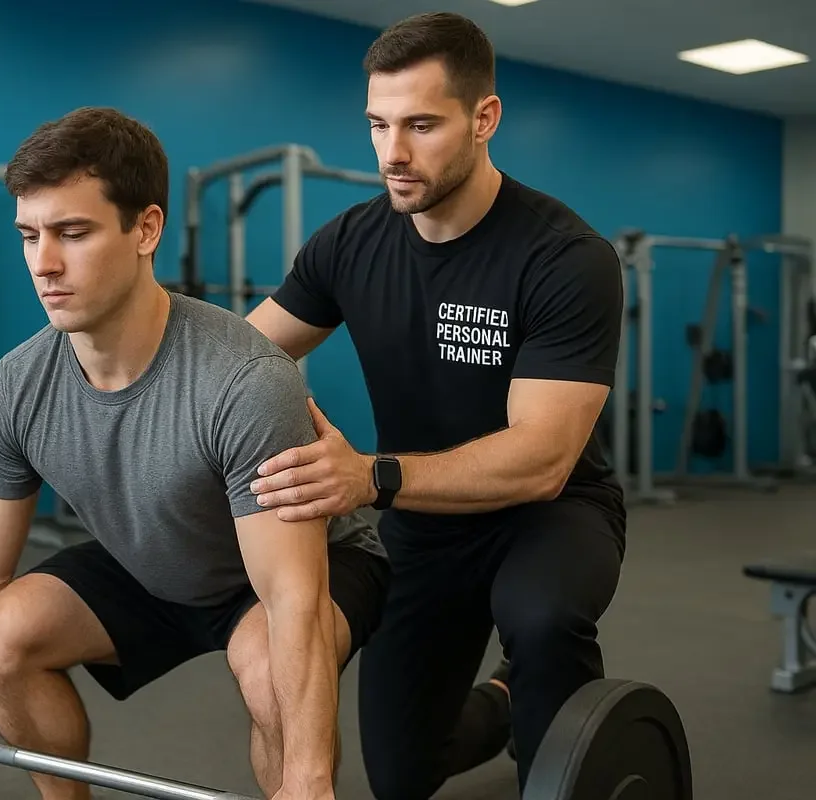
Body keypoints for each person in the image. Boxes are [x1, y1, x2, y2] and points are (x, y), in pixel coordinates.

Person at [0, 106, 390, 800]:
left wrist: (310, 778)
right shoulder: (17, 386)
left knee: (266, 673)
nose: (44, 263)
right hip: (157, 556)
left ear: (146, 229)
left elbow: (292, 597)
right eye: (29, 235)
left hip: (303, 567)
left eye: (72, 233)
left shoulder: (243, 381)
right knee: (1, 638)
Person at [244, 11, 627, 800]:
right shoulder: (348, 244)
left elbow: (545, 458)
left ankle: (559, 759)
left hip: (551, 514)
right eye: (379, 124)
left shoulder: (565, 256)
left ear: (484, 118)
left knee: (544, 620)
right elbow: (243, 360)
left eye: (421, 124)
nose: (393, 152)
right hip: (421, 521)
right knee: (403, 769)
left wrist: (368, 477)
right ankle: (505, 705)